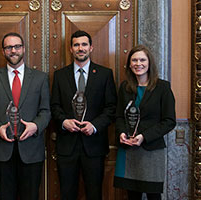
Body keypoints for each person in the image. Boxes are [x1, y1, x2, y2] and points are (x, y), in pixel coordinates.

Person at [0, 32, 51, 200]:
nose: (13, 51)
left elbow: (46, 111)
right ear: (3, 51)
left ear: (24, 49)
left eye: (17, 46)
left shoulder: (40, 78)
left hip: (32, 149)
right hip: (3, 150)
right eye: (8, 47)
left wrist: (36, 126)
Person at [51, 30, 117, 200]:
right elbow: (54, 106)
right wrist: (64, 121)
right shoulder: (59, 75)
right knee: (67, 193)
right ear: (71, 49)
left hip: (94, 146)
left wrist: (95, 126)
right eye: (76, 45)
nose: (80, 48)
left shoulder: (105, 74)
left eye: (84, 44)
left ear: (91, 47)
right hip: (67, 145)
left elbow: (111, 108)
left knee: (94, 193)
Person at [113, 45, 176, 200]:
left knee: (153, 195)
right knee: (132, 196)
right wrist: (121, 132)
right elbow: (119, 116)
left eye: (142, 60)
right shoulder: (124, 87)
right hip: (128, 150)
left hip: (151, 150)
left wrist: (144, 136)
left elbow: (169, 121)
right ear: (129, 64)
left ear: (149, 63)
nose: (138, 63)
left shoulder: (163, 87)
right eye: (134, 60)